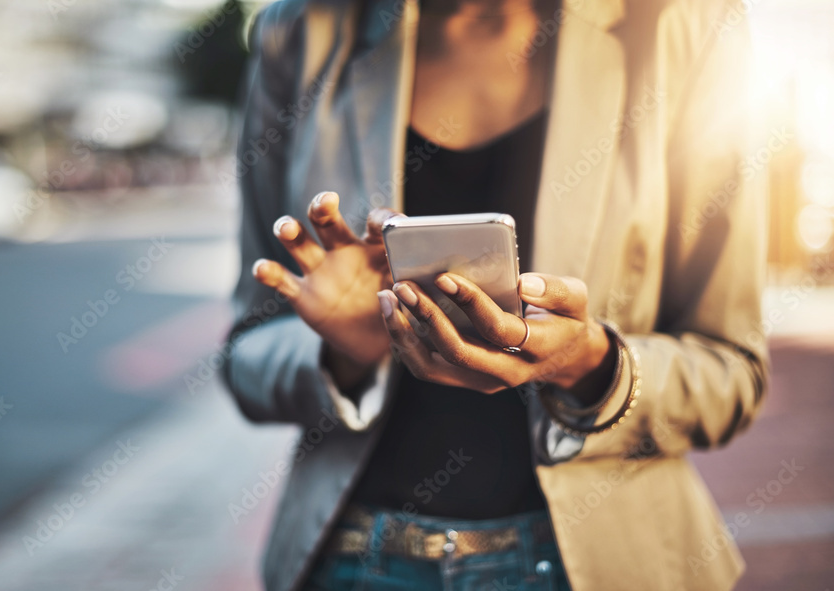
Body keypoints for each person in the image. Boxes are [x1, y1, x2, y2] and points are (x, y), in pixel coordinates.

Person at [222, 0, 768, 589]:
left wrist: (590, 365)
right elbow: (246, 354)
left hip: (598, 565)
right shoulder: (301, 28)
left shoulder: (683, 24)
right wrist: (344, 357)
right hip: (354, 559)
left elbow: (731, 371)